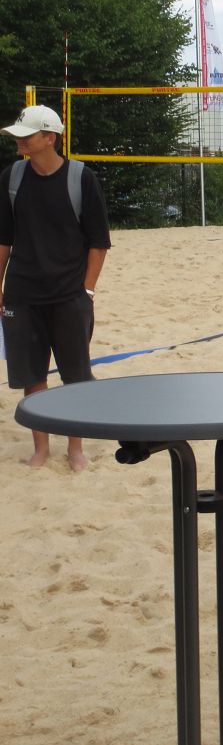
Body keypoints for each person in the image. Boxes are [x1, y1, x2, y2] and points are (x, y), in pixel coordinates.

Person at [0, 105, 111, 471]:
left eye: (26, 135)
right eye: (17, 135)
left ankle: (75, 449)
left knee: (75, 376)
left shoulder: (81, 178)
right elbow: (3, 239)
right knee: (32, 377)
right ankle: (41, 450)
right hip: (22, 294)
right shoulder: (12, 178)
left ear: (50, 137)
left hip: (69, 295)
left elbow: (99, 242)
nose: (19, 141)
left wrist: (87, 291)